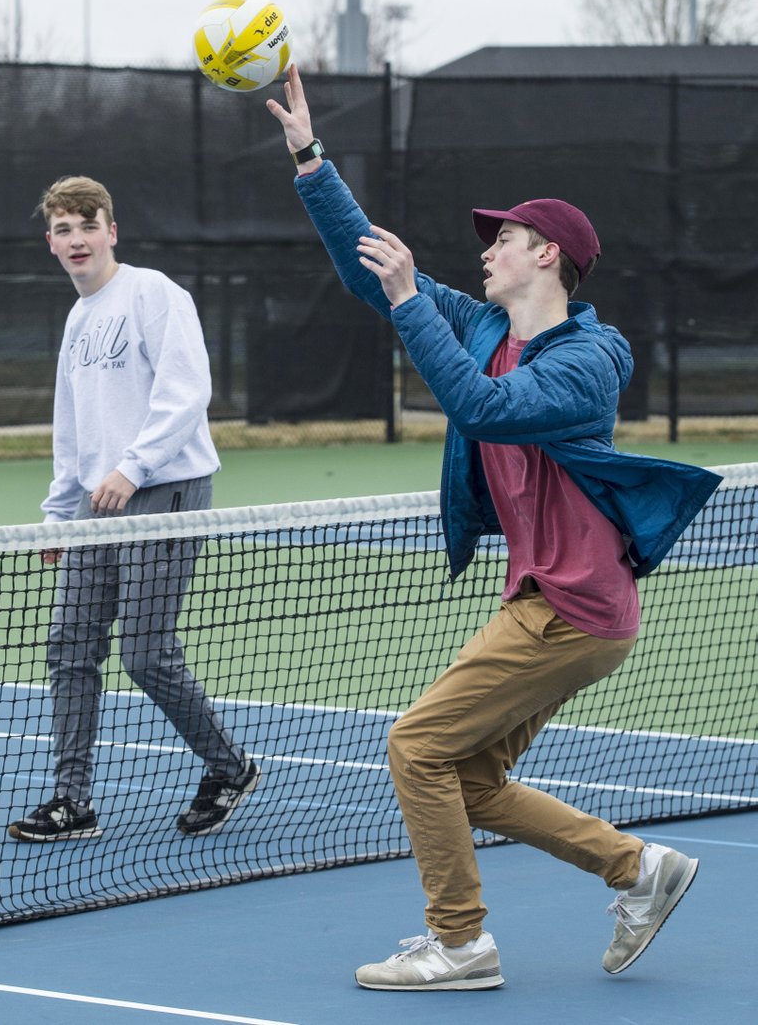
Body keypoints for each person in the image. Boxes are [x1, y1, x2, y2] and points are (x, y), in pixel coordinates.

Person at [266, 66, 721, 991]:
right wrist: (312, 161)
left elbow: (482, 409)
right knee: (467, 777)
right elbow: (377, 272)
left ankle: (461, 944)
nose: (488, 250)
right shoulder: (484, 325)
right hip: (548, 601)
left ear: (548, 254)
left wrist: (405, 304)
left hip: (575, 608)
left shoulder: (589, 361)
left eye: (504, 238)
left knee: (415, 744)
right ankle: (640, 869)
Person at [7, 176, 259, 843]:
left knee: (146, 654)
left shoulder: (153, 294)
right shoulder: (78, 318)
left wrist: (133, 467)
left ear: (110, 231)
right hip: (96, 503)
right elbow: (74, 427)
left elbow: (186, 391)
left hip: (166, 494)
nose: (76, 238)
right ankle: (72, 801)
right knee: (70, 648)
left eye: (87, 224)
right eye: (63, 229)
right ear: (51, 244)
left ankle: (229, 767)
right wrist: (61, 513)